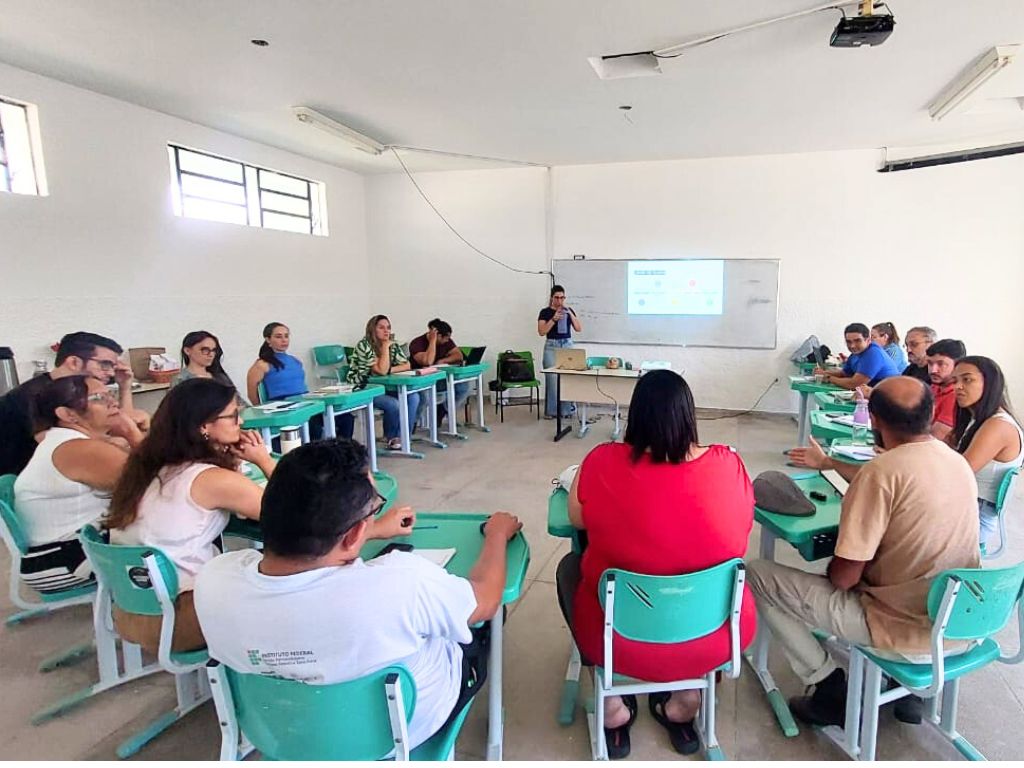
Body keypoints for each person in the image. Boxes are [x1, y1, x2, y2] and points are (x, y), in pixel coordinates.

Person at [194, 438, 522, 751]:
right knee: (484, 624)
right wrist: (496, 533)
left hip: (277, 732)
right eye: (373, 509)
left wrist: (366, 531)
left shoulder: (213, 579)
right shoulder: (402, 581)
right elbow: (486, 598)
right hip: (403, 731)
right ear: (353, 535)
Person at [748, 377, 979, 729]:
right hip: (958, 622)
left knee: (758, 572)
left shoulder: (880, 473)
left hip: (900, 628)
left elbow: (844, 579)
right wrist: (828, 462)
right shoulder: (956, 462)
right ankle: (909, 691)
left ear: (874, 420)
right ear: (929, 415)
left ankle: (827, 685)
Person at [556, 369, 756, 758]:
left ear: (636, 415)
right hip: (716, 639)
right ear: (690, 415)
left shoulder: (602, 461)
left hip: (618, 642)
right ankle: (685, 701)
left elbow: (577, 519)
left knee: (569, 567)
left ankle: (612, 709)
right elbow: (742, 525)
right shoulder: (728, 465)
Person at [105, 378, 276, 653]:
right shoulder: (210, 479)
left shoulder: (149, 466)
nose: (241, 422)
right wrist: (264, 460)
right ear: (204, 426)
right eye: (233, 416)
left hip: (131, 610)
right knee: (284, 573)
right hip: (178, 619)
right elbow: (293, 511)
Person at [14, 376, 144, 594]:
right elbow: (156, 481)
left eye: (110, 394)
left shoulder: (66, 441)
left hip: (60, 550)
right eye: (98, 398)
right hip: (62, 560)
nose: (113, 402)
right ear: (67, 414)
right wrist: (133, 434)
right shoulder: (76, 448)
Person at [0, 331, 148, 476]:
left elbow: (119, 423)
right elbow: (86, 446)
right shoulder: (37, 396)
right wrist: (129, 436)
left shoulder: (74, 391)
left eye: (113, 367)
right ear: (74, 362)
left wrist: (125, 387)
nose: (110, 373)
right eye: (105, 364)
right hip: (25, 477)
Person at [948, 356, 1023, 545]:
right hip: (965, 506)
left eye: (967, 379)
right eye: (955, 380)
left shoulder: (998, 425)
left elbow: (957, 473)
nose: (957, 386)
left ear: (990, 384)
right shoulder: (976, 419)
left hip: (975, 518)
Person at [245, 322, 352, 439]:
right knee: (312, 425)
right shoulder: (262, 364)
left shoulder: (295, 361)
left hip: (304, 402)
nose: (284, 340)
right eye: (278, 337)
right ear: (268, 340)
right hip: (283, 406)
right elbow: (252, 393)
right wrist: (265, 414)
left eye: (286, 336)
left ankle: (343, 453)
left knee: (346, 418)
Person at [347, 315, 421, 451]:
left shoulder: (393, 344)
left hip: (384, 386)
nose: (386, 331)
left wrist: (390, 369)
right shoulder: (364, 345)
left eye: (388, 328)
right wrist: (386, 348)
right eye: (381, 328)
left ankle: (403, 437)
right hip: (363, 389)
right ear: (372, 329)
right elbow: (380, 370)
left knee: (413, 397)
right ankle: (391, 437)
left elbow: (407, 365)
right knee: (393, 404)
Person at [409, 318, 470, 424]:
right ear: (437, 335)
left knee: (463, 386)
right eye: (445, 338)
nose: (447, 341)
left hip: (439, 379)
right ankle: (412, 423)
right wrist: (432, 341)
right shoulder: (417, 343)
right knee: (423, 397)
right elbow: (428, 361)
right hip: (421, 382)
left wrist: (443, 360)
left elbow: (458, 356)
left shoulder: (447, 341)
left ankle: (443, 410)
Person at [537, 285, 581, 419]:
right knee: (552, 378)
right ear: (551, 298)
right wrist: (554, 319)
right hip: (551, 346)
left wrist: (570, 314)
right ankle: (551, 412)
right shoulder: (545, 312)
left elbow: (578, 328)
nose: (559, 300)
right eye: (557, 297)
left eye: (562, 297)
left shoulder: (568, 310)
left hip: (566, 344)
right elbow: (542, 331)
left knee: (566, 378)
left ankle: (566, 411)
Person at [815, 323, 899, 390]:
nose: (852, 346)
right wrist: (824, 373)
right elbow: (845, 373)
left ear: (868, 340)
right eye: (848, 342)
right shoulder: (856, 353)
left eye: (857, 341)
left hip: (888, 399)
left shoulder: (873, 353)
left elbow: (854, 384)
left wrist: (829, 378)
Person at [174, 330, 249, 405]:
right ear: (187, 351)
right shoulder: (181, 380)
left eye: (213, 350)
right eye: (205, 350)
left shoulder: (220, 377)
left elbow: (241, 403)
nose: (211, 354)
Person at [926, 338, 966, 441]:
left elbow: (935, 438)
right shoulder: (934, 387)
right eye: (930, 363)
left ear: (957, 366)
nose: (933, 370)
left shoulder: (956, 395)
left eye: (941, 364)